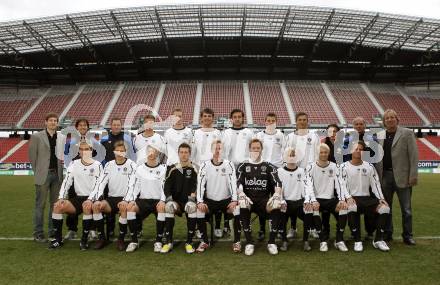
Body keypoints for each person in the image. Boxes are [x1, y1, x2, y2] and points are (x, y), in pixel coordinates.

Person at [48, 140, 103, 250]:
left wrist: (90, 199)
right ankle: (58, 240)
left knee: (86, 206)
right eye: (81, 149)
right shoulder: (74, 164)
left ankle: (84, 240)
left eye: (86, 149)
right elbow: (67, 181)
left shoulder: (98, 165)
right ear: (79, 151)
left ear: (91, 150)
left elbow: (99, 186)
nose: (84, 151)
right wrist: (61, 198)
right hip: (78, 198)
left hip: (93, 198)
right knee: (57, 206)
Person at [376, 109, 418, 245]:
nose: (390, 120)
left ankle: (408, 235)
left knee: (406, 209)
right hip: (385, 177)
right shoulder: (380, 135)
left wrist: (413, 175)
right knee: (386, 208)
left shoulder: (407, 133)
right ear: (384, 121)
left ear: (397, 119)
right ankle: (388, 233)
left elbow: (413, 156)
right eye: (387, 118)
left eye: (392, 117)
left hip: (403, 177)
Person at [340, 141, 391, 252]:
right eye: (356, 149)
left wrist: (381, 199)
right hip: (353, 198)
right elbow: (342, 185)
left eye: (360, 149)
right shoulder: (343, 166)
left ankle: (378, 240)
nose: (358, 151)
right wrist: (348, 197)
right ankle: (358, 241)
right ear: (350, 151)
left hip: (367, 199)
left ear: (363, 152)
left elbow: (375, 184)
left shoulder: (369, 166)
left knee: (385, 208)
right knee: (352, 207)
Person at [236, 138, 283, 255]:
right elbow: (238, 182)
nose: (256, 150)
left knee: (277, 204)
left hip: (263, 201)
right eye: (253, 148)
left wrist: (277, 194)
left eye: (258, 148)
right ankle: (249, 242)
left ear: (262, 149)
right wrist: (241, 193)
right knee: (242, 204)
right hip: (249, 200)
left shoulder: (269, 166)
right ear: (249, 149)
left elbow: (277, 182)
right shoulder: (242, 165)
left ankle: (271, 242)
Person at [88, 141, 137, 251]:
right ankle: (102, 238)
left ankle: (121, 239)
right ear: (114, 152)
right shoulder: (109, 165)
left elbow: (132, 185)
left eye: (122, 151)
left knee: (124, 208)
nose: (120, 153)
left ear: (126, 152)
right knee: (96, 206)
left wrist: (126, 200)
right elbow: (101, 183)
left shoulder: (132, 165)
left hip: (125, 199)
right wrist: (98, 198)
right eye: (117, 151)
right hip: (111, 199)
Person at [196, 140, 240, 253]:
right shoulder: (204, 165)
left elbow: (233, 183)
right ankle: (204, 241)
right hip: (210, 201)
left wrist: (234, 200)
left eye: (220, 148)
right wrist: (200, 201)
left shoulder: (229, 164)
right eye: (215, 148)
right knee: (199, 211)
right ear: (211, 150)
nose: (217, 151)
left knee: (237, 210)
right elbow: (200, 184)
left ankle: (237, 242)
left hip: (226, 200)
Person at [123, 144, 167, 253]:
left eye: (154, 152)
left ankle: (158, 241)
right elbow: (135, 187)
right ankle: (134, 241)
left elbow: (165, 188)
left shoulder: (163, 169)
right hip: (143, 200)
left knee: (162, 209)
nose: (151, 154)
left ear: (157, 154)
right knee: (130, 208)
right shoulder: (140, 169)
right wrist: (132, 200)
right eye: (149, 152)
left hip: (157, 201)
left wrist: (162, 200)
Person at [306, 143, 349, 252]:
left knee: (343, 208)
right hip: (317, 199)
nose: (324, 154)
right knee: (314, 209)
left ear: (329, 153)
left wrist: (341, 200)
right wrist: (313, 200)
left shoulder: (335, 166)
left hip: (330, 199)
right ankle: (323, 241)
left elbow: (339, 185)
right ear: (317, 153)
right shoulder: (310, 167)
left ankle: (339, 240)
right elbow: (308, 185)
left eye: (326, 152)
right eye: (321, 152)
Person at [28, 112, 63, 242]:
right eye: (51, 120)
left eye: (55, 120)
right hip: (43, 174)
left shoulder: (61, 137)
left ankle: (53, 231)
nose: (53, 122)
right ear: (45, 122)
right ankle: (38, 233)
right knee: (40, 205)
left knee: (55, 206)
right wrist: (38, 172)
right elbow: (32, 157)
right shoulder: (37, 136)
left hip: (57, 175)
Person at [219, 108, 254, 237]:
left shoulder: (249, 133)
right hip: (229, 169)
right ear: (231, 119)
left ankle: (246, 223)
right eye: (235, 117)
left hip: (245, 170)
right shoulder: (225, 133)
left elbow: (253, 150)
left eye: (240, 116)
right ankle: (227, 224)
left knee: (245, 196)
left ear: (242, 118)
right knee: (229, 196)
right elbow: (222, 151)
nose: (237, 119)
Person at [285, 112, 320, 239]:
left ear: (307, 121)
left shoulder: (314, 136)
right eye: (300, 119)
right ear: (296, 121)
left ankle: (312, 227)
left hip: (310, 174)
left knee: (311, 200)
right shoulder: (290, 137)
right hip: (294, 174)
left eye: (304, 119)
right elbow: (287, 155)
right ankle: (293, 228)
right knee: (293, 200)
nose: (302, 121)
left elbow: (317, 155)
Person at [160, 143, 199, 254]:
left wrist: (192, 198)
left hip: (189, 201)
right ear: (178, 153)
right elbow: (167, 186)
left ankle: (189, 242)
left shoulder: (194, 168)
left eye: (186, 152)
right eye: (181, 152)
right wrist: (169, 199)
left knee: (191, 207)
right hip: (176, 202)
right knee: (169, 207)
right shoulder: (172, 168)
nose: (183, 155)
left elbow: (197, 185)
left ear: (190, 154)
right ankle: (168, 242)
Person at [277, 148, 315, 251]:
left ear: (297, 157)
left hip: (299, 202)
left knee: (309, 210)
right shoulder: (280, 171)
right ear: (285, 157)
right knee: (280, 212)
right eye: (289, 155)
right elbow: (277, 189)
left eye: (294, 155)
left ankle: (306, 241)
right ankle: (284, 240)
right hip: (286, 203)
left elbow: (307, 187)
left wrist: (307, 200)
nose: (292, 157)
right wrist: (282, 201)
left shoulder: (302, 171)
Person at [255, 113, 285, 241]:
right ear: (265, 121)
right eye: (268, 120)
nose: (271, 122)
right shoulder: (259, 135)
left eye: (273, 120)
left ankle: (276, 228)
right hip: (262, 171)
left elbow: (285, 152)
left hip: (276, 171)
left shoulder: (281, 135)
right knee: (263, 201)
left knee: (276, 201)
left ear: (276, 122)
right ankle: (262, 229)